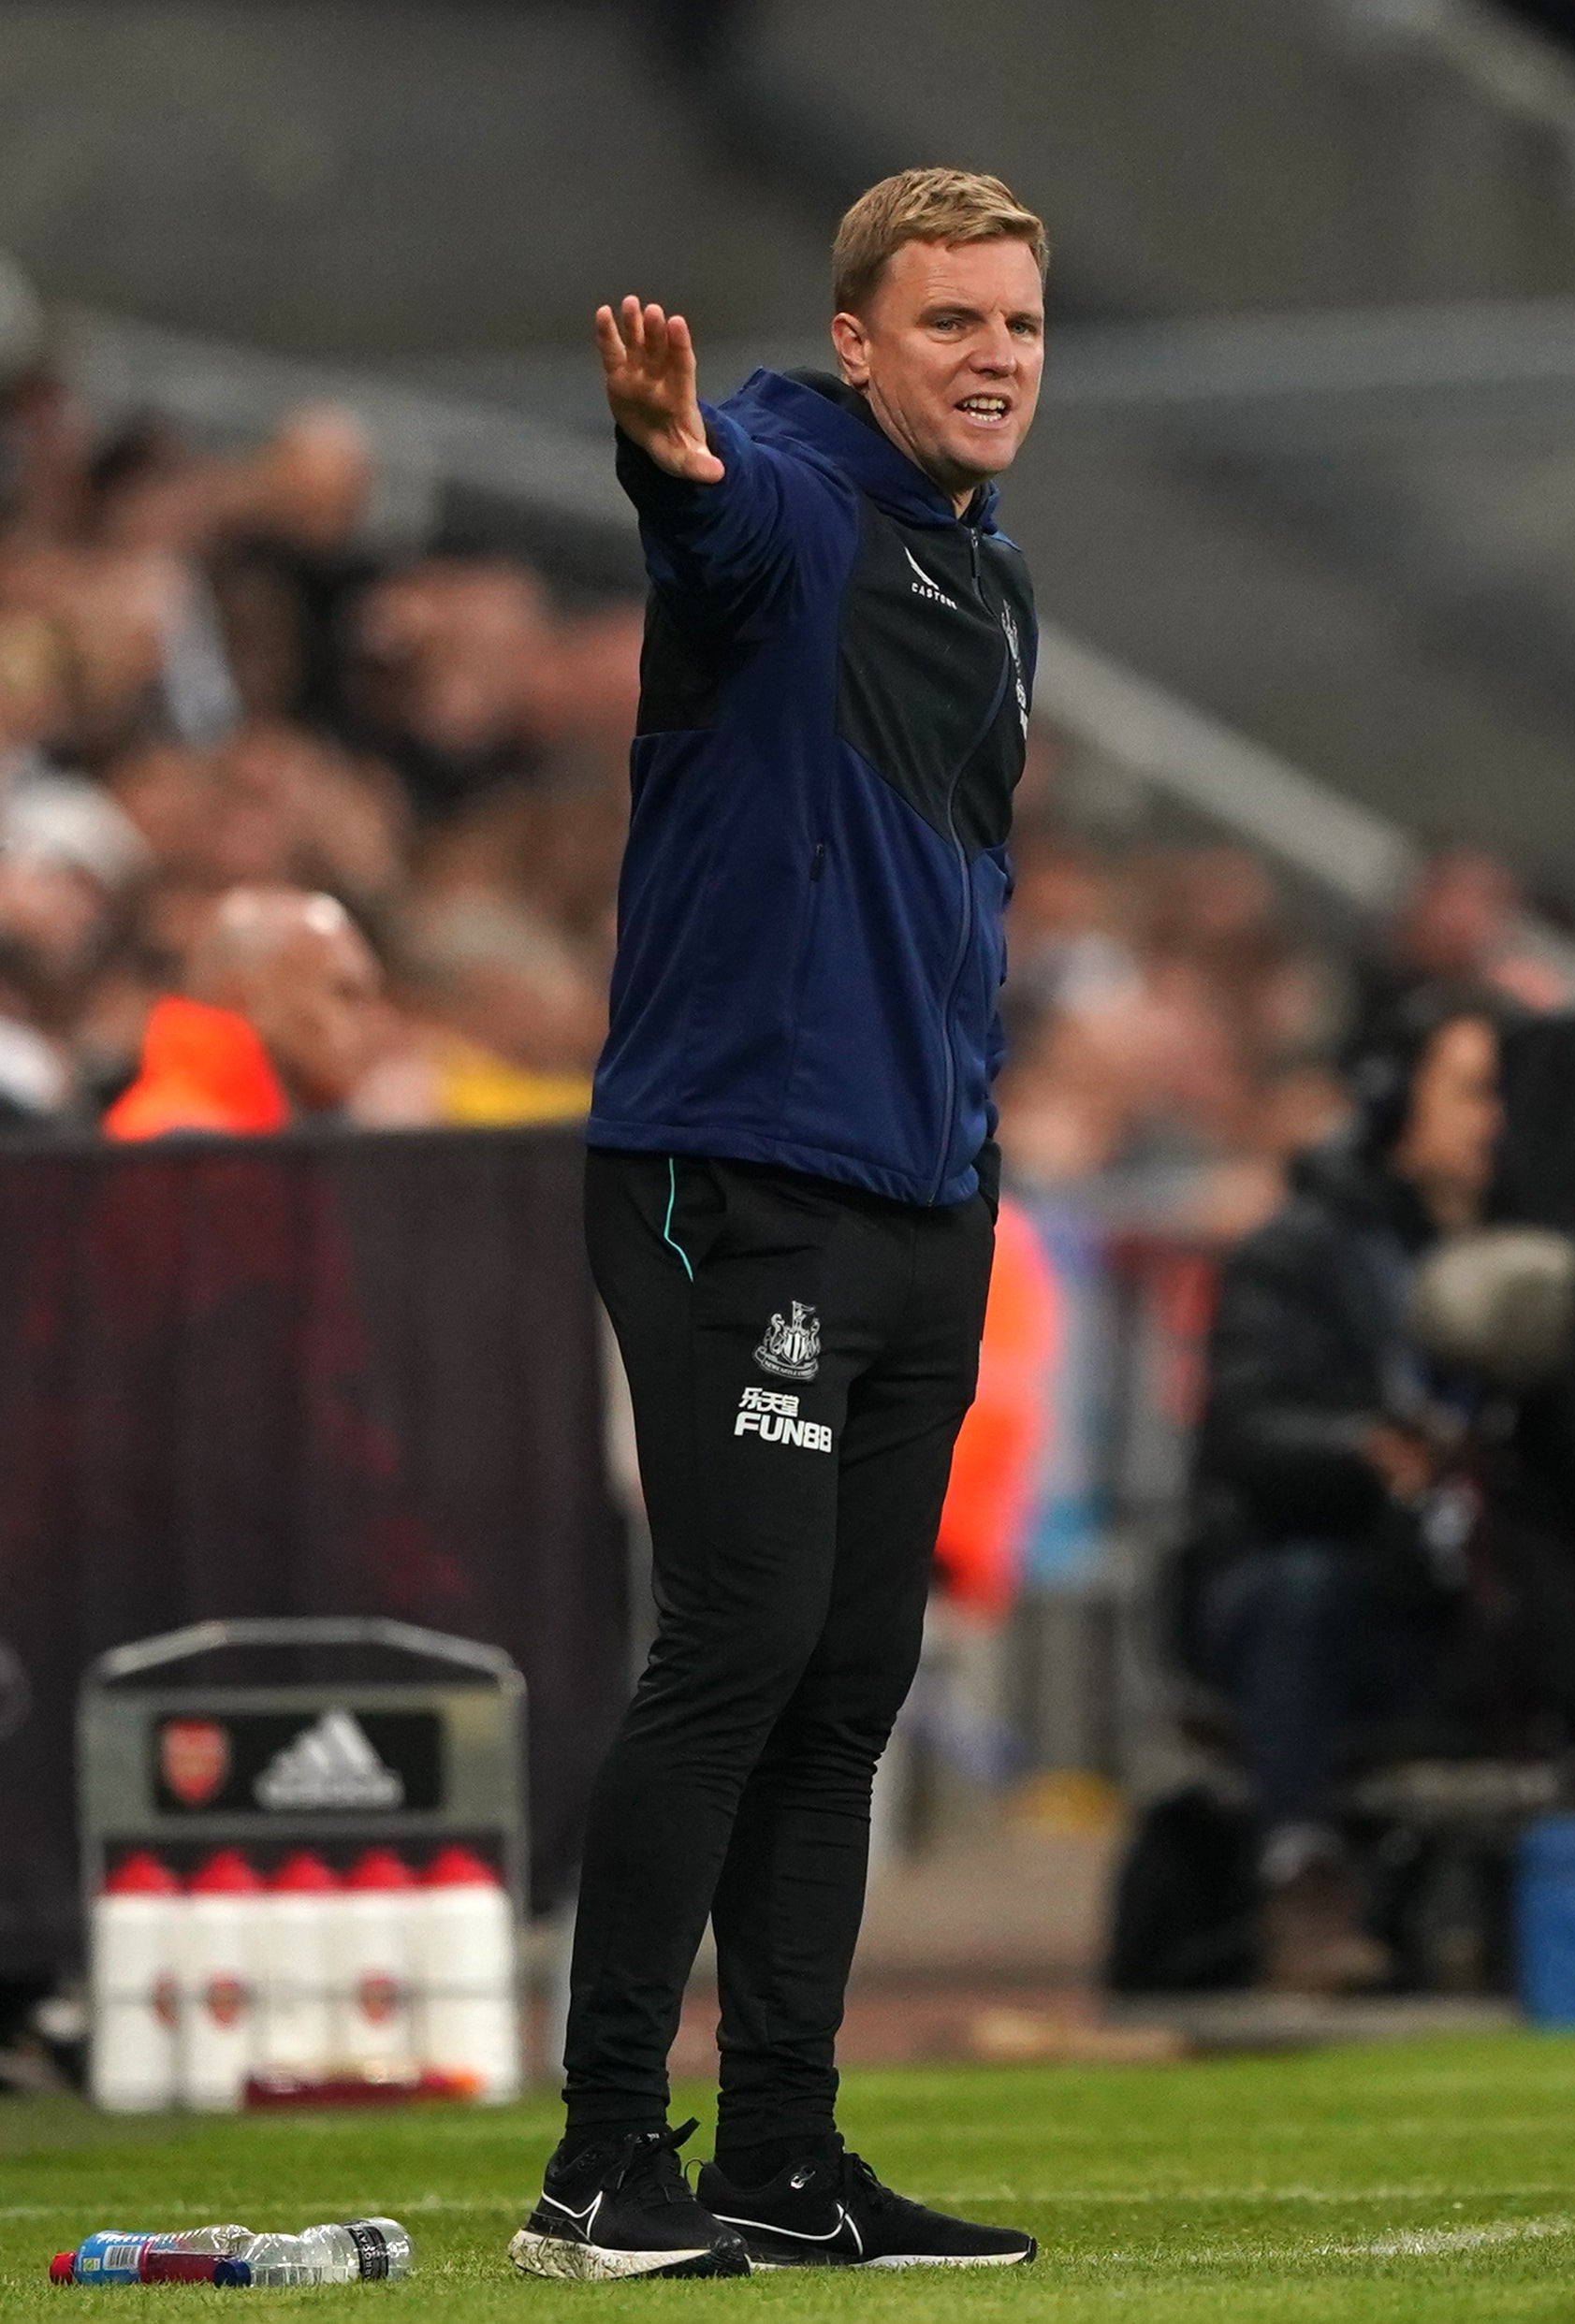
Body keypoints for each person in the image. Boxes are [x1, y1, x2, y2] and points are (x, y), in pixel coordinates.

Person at [511, 167, 1049, 2282]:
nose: (995, 356)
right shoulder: (795, 497)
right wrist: (663, 462)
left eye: (1018, 323)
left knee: (843, 1681)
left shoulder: (983, 572)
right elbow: (711, 531)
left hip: (919, 1188)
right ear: (854, 339)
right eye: (950, 323)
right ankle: (595, 2159)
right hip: (739, 1169)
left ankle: (783, 2148)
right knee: (736, 1644)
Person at [1183, 985, 1508, 1992]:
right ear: (1389, 1099)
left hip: (1486, 1580)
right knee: (1302, 1587)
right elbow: (1244, 1427)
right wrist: (1365, 1449)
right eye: (1475, 1091)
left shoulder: (1552, 1244)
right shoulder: (1300, 1249)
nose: (1500, 1119)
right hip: (1330, 1573)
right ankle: (1300, 1872)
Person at [104, 885, 380, 1138]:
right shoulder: (175, 1145)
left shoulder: (299, 1127)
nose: (375, 1023)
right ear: (242, 999)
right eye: (345, 994)